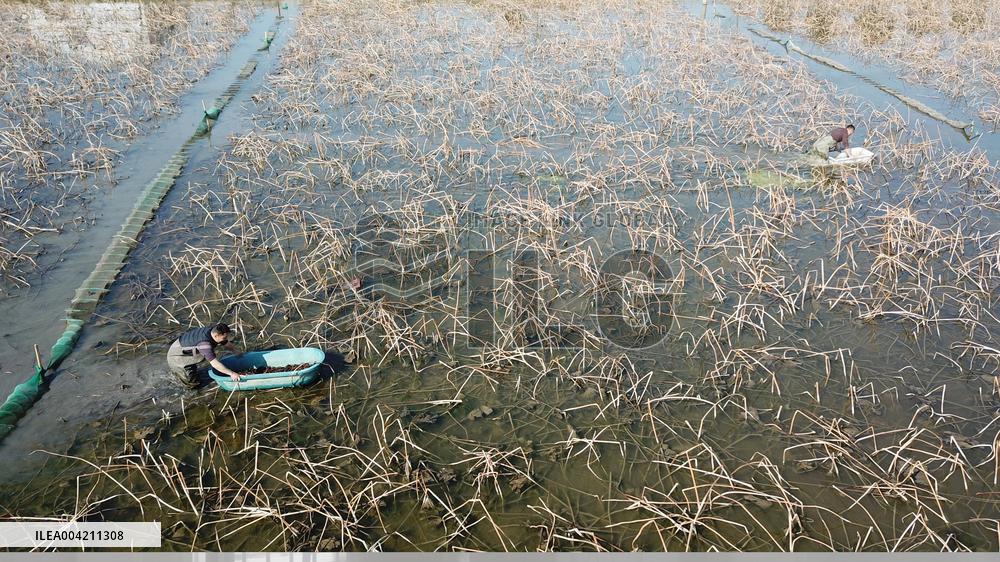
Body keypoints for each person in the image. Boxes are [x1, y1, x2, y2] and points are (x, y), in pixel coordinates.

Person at [166, 323, 242, 388]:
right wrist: (232, 374)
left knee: (196, 370)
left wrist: (236, 351)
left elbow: (225, 343)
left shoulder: (214, 330)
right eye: (224, 337)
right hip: (176, 356)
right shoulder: (204, 344)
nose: (225, 339)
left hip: (185, 346)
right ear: (216, 335)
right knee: (192, 383)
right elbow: (215, 364)